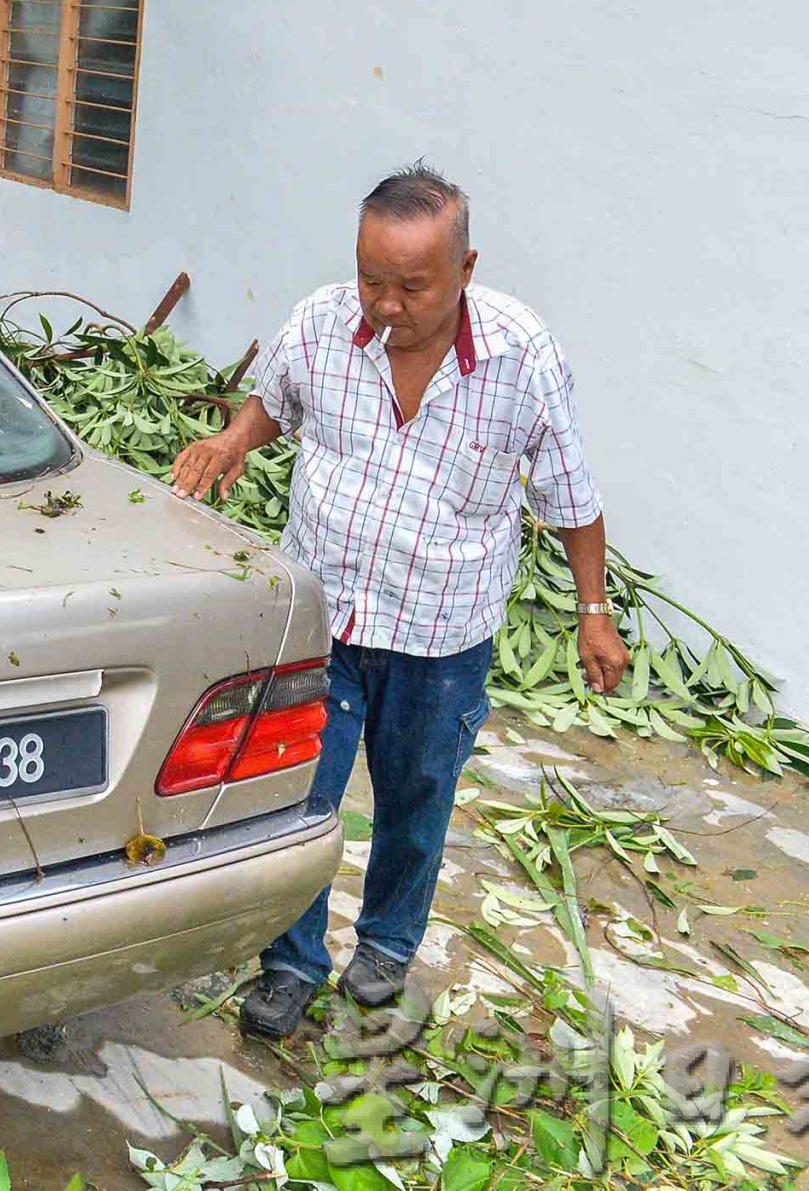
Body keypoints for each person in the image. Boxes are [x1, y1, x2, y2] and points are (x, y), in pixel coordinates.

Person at [171, 163, 626, 1039]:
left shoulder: (522, 356)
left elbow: (571, 495)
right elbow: (276, 403)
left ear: (466, 269)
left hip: (441, 632)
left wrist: (593, 611)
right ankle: (290, 962)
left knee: (418, 799)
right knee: (299, 799)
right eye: (371, 279)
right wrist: (234, 440)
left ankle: (385, 944)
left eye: (412, 287)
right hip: (324, 614)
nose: (386, 305)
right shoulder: (320, 321)